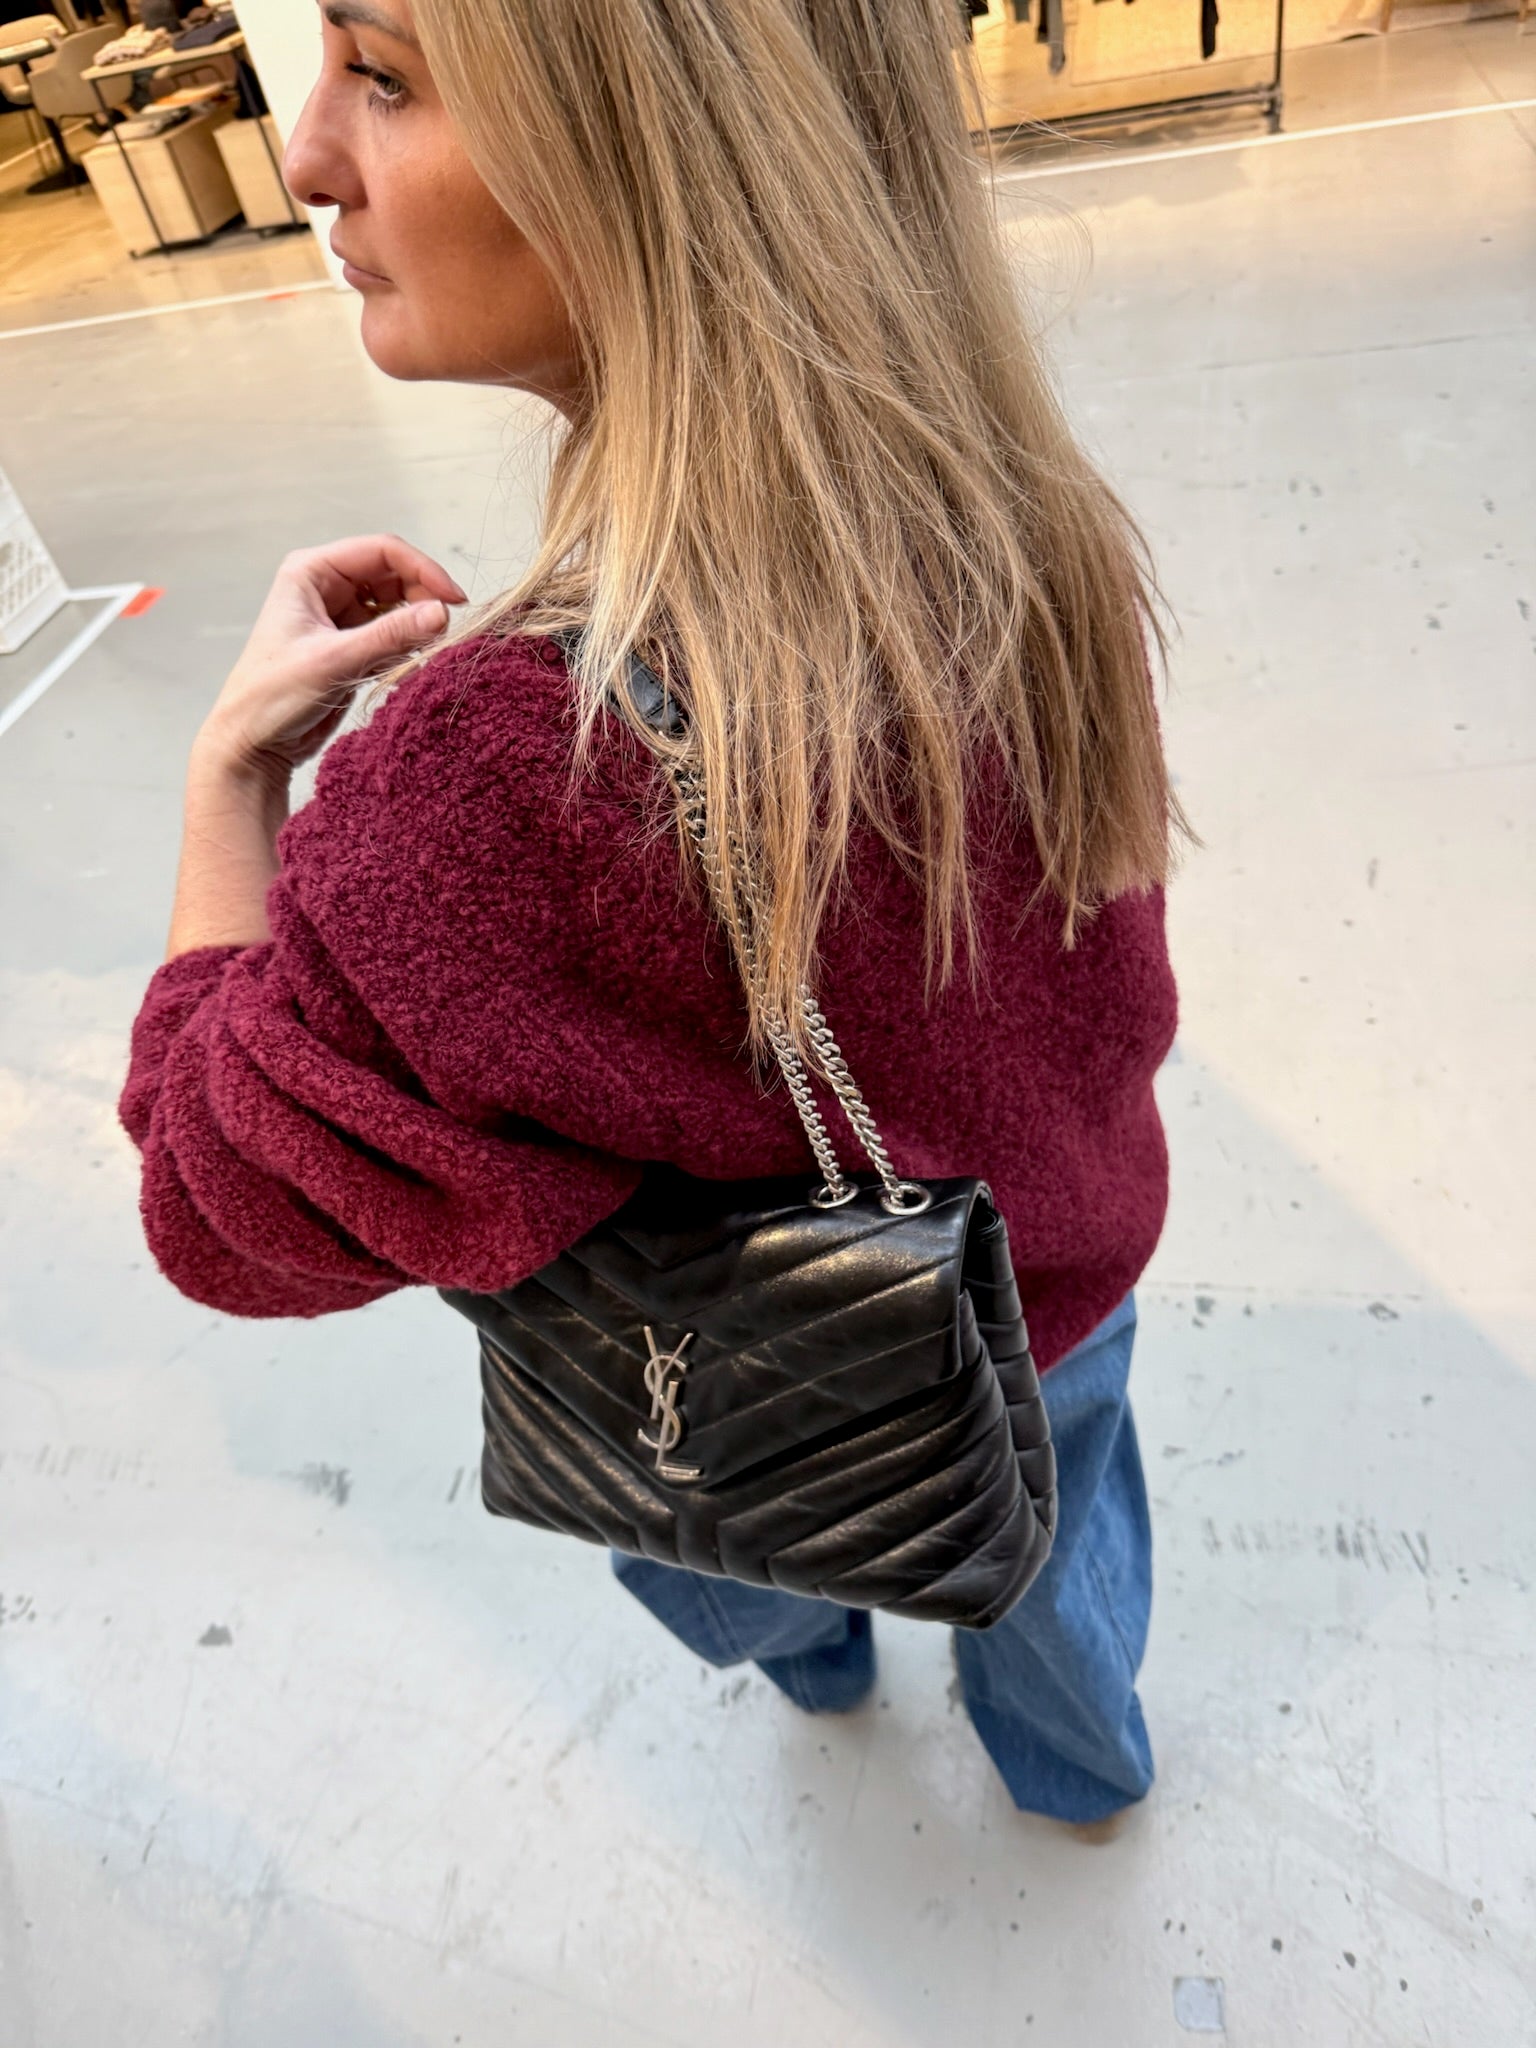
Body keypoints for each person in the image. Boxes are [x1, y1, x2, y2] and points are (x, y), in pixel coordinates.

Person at [118, 0, 1183, 1831]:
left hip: (743, 1371)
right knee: (1052, 1552)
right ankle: (1079, 1776)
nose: (304, 159)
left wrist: (230, 785)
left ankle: (818, 1665)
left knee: (779, 1538)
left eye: (385, 73)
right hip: (1068, 1270)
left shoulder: (505, 769)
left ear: (650, 142)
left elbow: (215, 1203)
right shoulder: (1024, 519)